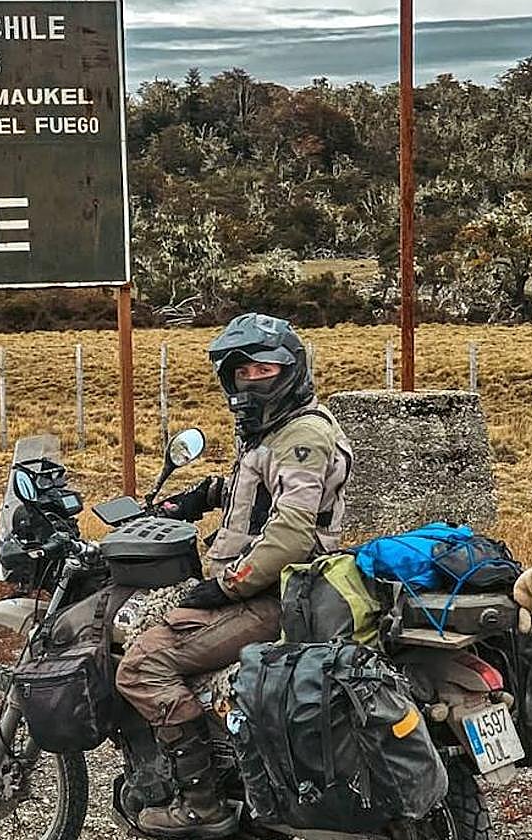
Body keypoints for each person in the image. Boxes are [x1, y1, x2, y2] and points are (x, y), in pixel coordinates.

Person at [116, 313, 354, 839]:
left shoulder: (302, 437)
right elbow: (266, 497)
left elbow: (291, 534)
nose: (250, 382)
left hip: (271, 597)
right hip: (265, 590)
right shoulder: (278, 433)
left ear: (291, 371)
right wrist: (202, 497)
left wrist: (226, 586)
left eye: (264, 370)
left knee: (141, 664)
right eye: (240, 373)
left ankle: (202, 805)